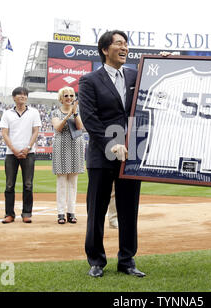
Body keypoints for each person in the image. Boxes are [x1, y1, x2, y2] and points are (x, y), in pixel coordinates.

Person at [79, 30, 145, 278]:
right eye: (119, 43)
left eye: (126, 43)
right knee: (96, 210)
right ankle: (96, 261)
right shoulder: (89, 80)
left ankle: (127, 260)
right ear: (105, 50)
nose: (124, 47)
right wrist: (111, 144)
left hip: (131, 153)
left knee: (129, 209)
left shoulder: (134, 75)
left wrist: (164, 61)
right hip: (101, 155)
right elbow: (90, 119)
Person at [0, 87, 41, 224]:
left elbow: (35, 131)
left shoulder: (34, 112)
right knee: (9, 185)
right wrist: (14, 149)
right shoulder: (7, 113)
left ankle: (27, 213)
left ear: (27, 98)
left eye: (24, 95)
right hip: (11, 153)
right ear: (14, 97)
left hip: (29, 153)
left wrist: (28, 148)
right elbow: (5, 133)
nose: (22, 97)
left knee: (28, 184)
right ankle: (9, 214)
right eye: (19, 95)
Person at [51, 86, 85, 224]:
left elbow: (80, 127)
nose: (69, 98)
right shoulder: (55, 112)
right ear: (61, 98)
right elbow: (58, 127)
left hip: (76, 146)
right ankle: (60, 213)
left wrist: (75, 113)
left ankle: (71, 212)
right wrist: (68, 115)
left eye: (71, 95)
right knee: (61, 183)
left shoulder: (78, 111)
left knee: (73, 183)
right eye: (66, 96)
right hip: (61, 146)